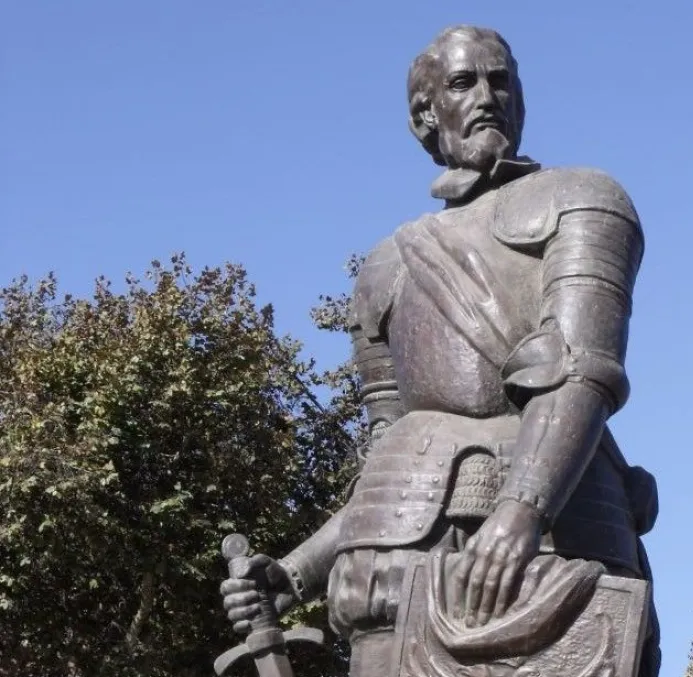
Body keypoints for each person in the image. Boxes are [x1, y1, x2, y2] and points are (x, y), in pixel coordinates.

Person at [221, 24, 660, 677]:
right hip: (393, 558)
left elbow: (579, 371)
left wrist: (521, 509)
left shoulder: (585, 199)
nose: (487, 95)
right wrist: (295, 573)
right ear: (426, 113)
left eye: (500, 79)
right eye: (463, 82)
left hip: (553, 535)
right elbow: (387, 455)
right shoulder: (383, 268)